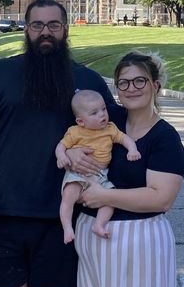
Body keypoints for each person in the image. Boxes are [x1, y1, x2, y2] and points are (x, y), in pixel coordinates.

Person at [0, 0, 122, 287]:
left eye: (54, 25)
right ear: (26, 29)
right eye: (37, 25)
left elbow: (114, 137)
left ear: (66, 29)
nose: (46, 31)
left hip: (63, 221)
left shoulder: (88, 80)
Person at [74, 51, 184, 287]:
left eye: (140, 81)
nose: (131, 88)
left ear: (155, 85)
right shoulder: (107, 120)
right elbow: (72, 137)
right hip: (89, 235)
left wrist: (104, 197)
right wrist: (71, 154)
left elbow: (161, 199)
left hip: (139, 239)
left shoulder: (164, 137)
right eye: (123, 82)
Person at [56, 89, 140, 244]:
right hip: (78, 173)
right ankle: (67, 227)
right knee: (69, 195)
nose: (102, 115)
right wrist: (62, 156)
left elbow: (124, 138)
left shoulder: (110, 128)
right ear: (81, 121)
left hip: (100, 174)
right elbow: (61, 146)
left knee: (110, 198)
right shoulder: (75, 132)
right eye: (94, 113)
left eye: (103, 109)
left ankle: (99, 225)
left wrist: (132, 149)